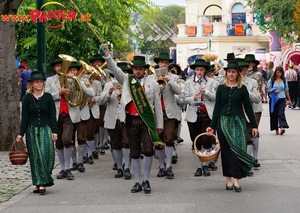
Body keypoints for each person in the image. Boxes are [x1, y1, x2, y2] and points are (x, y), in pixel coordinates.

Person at [104, 47, 163, 194]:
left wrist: (159, 125)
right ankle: (137, 181)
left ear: (145, 70)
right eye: (136, 68)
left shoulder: (153, 84)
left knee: (148, 150)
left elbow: (157, 106)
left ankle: (146, 180)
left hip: (147, 121)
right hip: (130, 120)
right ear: (133, 69)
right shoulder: (126, 80)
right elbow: (115, 69)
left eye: (140, 69)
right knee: (134, 152)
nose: (138, 71)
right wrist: (107, 56)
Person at [206, 60, 258, 192]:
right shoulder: (221, 88)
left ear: (237, 74)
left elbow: (248, 108)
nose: (231, 74)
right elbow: (217, 107)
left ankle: (236, 178)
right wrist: (212, 126)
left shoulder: (242, 89)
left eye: (233, 72)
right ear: (226, 73)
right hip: (223, 122)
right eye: (229, 72)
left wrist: (254, 125)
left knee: (238, 149)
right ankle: (228, 178)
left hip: (238, 122)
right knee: (227, 151)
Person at [16, 71, 58, 195]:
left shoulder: (48, 97)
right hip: (32, 130)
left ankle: (43, 179)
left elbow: (52, 116)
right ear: (32, 84)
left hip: (46, 129)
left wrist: (55, 131)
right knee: (36, 157)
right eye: (36, 82)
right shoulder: (27, 98)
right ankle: (39, 184)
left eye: (40, 81)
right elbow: (25, 117)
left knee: (47, 157)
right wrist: (21, 133)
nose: (39, 84)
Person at [183, 59, 218, 177]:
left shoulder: (212, 82)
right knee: (196, 141)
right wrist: (192, 97)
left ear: (205, 71)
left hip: (206, 115)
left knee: (207, 140)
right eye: (197, 70)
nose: (199, 72)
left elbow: (215, 97)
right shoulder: (188, 83)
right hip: (194, 114)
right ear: (194, 70)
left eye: (201, 70)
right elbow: (183, 98)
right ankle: (198, 166)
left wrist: (206, 92)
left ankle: (205, 165)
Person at [150, 52, 182, 179]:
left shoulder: (174, 77)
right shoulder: (151, 78)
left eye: (166, 62)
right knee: (158, 140)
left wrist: (169, 81)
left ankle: (168, 166)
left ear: (169, 65)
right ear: (158, 64)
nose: (163, 64)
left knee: (169, 139)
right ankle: (161, 166)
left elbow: (180, 91)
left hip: (170, 113)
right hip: (156, 112)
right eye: (161, 62)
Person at [101, 62, 132, 179]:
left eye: (125, 72)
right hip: (111, 117)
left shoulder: (129, 84)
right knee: (115, 143)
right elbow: (101, 101)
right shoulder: (108, 84)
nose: (123, 74)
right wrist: (109, 93)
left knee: (126, 142)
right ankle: (119, 167)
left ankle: (127, 167)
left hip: (126, 117)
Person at [245, 54, 263, 168]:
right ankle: (248, 156)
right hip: (245, 106)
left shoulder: (257, 75)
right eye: (246, 63)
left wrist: (245, 74)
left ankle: (255, 157)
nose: (248, 65)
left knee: (254, 131)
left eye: (250, 63)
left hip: (255, 105)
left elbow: (255, 87)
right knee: (247, 132)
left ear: (254, 64)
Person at [266, 66, 292, 135]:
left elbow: (286, 90)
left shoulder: (284, 80)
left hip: (282, 98)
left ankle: (282, 127)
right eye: (277, 73)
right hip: (274, 99)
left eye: (280, 73)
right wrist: (273, 91)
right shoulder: (272, 80)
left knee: (281, 112)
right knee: (274, 114)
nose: (279, 74)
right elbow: (268, 90)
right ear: (275, 73)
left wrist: (289, 99)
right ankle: (276, 129)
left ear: (282, 73)